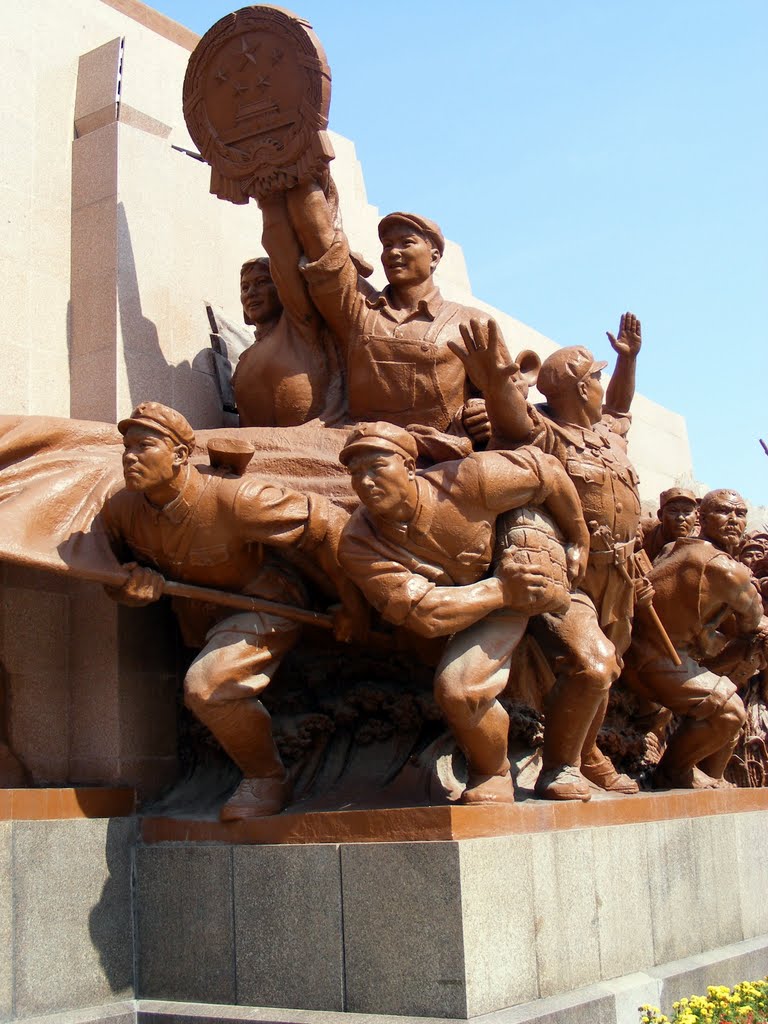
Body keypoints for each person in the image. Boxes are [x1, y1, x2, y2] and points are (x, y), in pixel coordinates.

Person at [100, 402, 367, 820]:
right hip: (202, 617)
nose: (130, 457)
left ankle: (265, 777)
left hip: (266, 602)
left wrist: (353, 606)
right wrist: (133, 588)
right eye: (126, 447)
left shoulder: (236, 499)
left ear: (180, 455)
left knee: (209, 686)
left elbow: (330, 526)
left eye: (144, 446)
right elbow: (113, 574)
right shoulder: (122, 510)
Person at [337, 421, 589, 805]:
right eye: (355, 474)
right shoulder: (358, 541)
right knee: (458, 689)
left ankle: (562, 766)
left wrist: (579, 539)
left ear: (409, 467)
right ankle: (492, 771)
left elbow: (547, 472)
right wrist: (502, 590)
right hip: (486, 601)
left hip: (536, 570)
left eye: (376, 467)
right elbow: (423, 613)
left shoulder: (468, 479)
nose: (365, 481)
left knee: (596, 664)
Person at [449, 314, 646, 799]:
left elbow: (621, 405)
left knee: (607, 671)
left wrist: (628, 361)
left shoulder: (609, 435)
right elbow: (514, 419)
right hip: (570, 576)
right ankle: (560, 767)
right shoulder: (549, 434)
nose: (603, 389)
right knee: (593, 664)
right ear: (581, 389)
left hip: (619, 579)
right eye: (597, 378)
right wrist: (495, 379)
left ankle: (587, 754)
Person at [282, 180, 495, 447]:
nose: (393, 252)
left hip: (437, 455)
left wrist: (488, 413)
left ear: (435, 257)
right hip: (352, 445)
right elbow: (322, 247)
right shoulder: (359, 308)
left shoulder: (471, 322)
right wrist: (301, 176)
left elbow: (510, 401)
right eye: (387, 245)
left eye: (406, 243)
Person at [622, 489, 766, 788]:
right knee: (729, 711)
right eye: (724, 512)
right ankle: (672, 772)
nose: (734, 521)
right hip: (657, 658)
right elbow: (753, 623)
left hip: (650, 652)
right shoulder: (729, 571)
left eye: (740, 514)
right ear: (702, 517)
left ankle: (705, 771)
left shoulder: (674, 548)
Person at [231, 189, 346, 427]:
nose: (251, 293)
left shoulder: (299, 327)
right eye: (245, 287)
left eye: (262, 283)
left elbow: (280, 248)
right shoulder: (245, 360)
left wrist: (270, 193)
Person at [639, 486, 699, 562]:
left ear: (696, 517)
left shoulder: (703, 541)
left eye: (687, 512)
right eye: (673, 511)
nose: (680, 517)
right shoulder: (646, 530)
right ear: (660, 515)